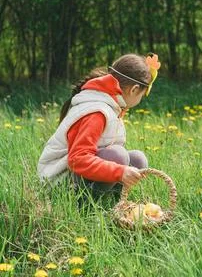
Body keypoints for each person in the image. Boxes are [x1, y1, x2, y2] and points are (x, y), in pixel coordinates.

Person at [38, 53, 161, 204]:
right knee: (118, 156)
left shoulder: (113, 106)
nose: (141, 100)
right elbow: (77, 160)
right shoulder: (97, 112)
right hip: (60, 183)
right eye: (143, 94)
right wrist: (120, 172)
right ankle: (85, 206)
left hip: (76, 176)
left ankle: (116, 205)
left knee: (137, 159)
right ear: (134, 89)